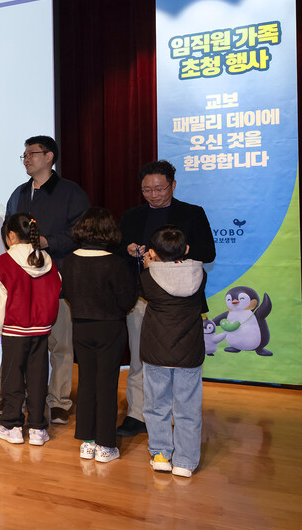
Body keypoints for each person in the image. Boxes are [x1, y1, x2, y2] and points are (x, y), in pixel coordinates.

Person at [116, 160, 216, 437]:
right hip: (143, 297)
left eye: (160, 189)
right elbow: (119, 250)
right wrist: (128, 249)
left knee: (180, 363)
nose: (154, 195)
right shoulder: (132, 216)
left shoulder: (192, 213)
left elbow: (208, 252)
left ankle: (174, 416)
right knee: (141, 357)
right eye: (147, 190)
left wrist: (172, 251)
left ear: (173, 185)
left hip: (181, 301)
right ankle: (137, 414)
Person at [5, 135, 90, 425]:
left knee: (60, 344)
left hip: (57, 279)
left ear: (49, 156)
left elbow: (81, 233)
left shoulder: (70, 192)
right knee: (22, 343)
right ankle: (19, 398)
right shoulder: (19, 193)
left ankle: (59, 400)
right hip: (22, 282)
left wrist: (47, 241)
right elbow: (8, 230)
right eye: (24, 155)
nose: (27, 159)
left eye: (32, 153)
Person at [61, 208, 137, 461]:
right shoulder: (115, 263)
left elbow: (67, 293)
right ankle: (105, 445)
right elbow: (127, 301)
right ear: (109, 232)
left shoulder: (70, 260)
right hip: (109, 328)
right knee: (106, 385)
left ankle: (87, 442)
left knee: (86, 383)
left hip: (81, 327)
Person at [0, 215, 61, 448]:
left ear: (11, 236)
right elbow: (56, 287)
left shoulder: (3, 262)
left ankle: (12, 426)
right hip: (40, 331)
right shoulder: (46, 260)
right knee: (38, 378)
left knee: (12, 378)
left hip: (14, 332)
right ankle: (37, 428)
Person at [140, 225, 207, 478]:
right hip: (189, 352)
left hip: (156, 352)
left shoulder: (147, 277)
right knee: (188, 409)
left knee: (156, 405)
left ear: (153, 252)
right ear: (186, 249)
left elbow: (150, 286)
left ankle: (160, 456)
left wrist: (149, 266)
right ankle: (185, 462)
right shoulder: (200, 274)